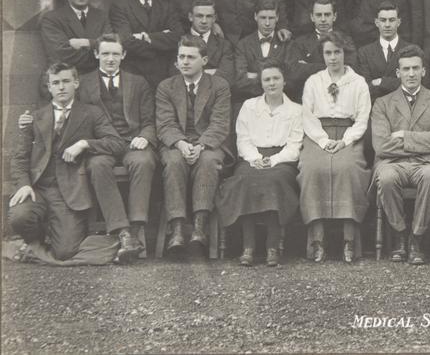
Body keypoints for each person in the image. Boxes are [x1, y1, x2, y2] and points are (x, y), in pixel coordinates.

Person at [8, 63, 132, 262]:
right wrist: (23, 184)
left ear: (76, 83)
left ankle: (30, 250)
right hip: (37, 187)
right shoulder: (34, 117)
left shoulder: (91, 113)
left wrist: (84, 144)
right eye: (55, 83)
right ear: (49, 87)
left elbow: (117, 143)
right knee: (19, 217)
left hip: (67, 192)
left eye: (66, 81)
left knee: (66, 252)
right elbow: (19, 157)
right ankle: (35, 241)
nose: (61, 87)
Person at [75, 34, 159, 258]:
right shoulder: (82, 84)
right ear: (96, 55)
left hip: (132, 141)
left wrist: (145, 137)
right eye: (105, 53)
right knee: (98, 166)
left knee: (143, 161)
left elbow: (150, 120)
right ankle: (122, 232)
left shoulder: (138, 82)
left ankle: (137, 226)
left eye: (115, 53)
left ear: (123, 55)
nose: (110, 58)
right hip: (102, 145)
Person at [371, 45, 430, 265]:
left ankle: (417, 238)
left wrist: (404, 136)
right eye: (406, 69)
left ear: (424, 71)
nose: (411, 74)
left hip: (427, 163)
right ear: (397, 73)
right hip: (393, 163)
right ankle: (399, 235)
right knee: (386, 177)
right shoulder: (382, 103)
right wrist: (425, 141)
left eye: (416, 68)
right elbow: (381, 146)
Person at [216, 61, 302, 267]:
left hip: (282, 160)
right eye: (267, 79)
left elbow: (295, 144)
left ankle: (272, 247)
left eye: (276, 78)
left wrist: (272, 160)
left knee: (273, 181)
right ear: (261, 83)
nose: (271, 83)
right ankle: (249, 247)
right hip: (251, 158)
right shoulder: (249, 106)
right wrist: (255, 159)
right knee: (246, 181)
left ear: (284, 81)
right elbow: (242, 139)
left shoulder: (296, 110)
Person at [299, 32, 373, 263]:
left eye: (337, 52)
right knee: (311, 168)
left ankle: (349, 240)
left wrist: (345, 140)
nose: (333, 58)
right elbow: (307, 116)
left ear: (345, 53)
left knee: (348, 168)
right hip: (318, 134)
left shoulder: (358, 82)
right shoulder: (314, 81)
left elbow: (362, 118)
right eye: (328, 53)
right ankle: (317, 240)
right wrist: (322, 140)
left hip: (348, 134)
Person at [155, 35, 232, 255]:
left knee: (208, 161)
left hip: (209, 143)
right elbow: (165, 123)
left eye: (191, 57)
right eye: (181, 57)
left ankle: (200, 227)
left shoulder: (219, 86)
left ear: (204, 61)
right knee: (172, 162)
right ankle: (177, 229)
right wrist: (180, 143)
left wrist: (201, 146)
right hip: (176, 142)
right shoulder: (166, 87)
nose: (185, 62)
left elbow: (219, 124)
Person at [110, 0, 184, 86]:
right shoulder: (121, 7)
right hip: (133, 74)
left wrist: (147, 37)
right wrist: (162, 38)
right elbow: (126, 41)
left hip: (164, 75)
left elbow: (178, 37)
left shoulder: (167, 6)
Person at [40, 0, 111, 76]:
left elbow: (111, 47)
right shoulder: (52, 18)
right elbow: (61, 56)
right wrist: (97, 47)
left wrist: (86, 43)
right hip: (64, 82)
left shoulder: (102, 16)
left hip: (95, 82)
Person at [232, 0, 293, 102]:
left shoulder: (286, 43)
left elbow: (290, 79)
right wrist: (275, 78)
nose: (267, 23)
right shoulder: (243, 44)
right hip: (251, 101)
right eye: (263, 18)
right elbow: (240, 81)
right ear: (255, 16)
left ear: (277, 17)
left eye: (271, 18)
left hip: (280, 102)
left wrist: (254, 75)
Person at [351, 1, 409, 100]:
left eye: (391, 20)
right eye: (383, 20)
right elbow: (366, 87)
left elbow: (412, 84)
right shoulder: (364, 53)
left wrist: (381, 82)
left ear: (398, 22)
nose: (387, 25)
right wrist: (396, 83)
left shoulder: (409, 50)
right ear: (376, 22)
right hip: (375, 107)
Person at [184, 0, 234, 79]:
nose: (204, 21)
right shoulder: (178, 42)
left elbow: (227, 76)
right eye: (199, 16)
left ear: (214, 18)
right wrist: (212, 72)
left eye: (208, 16)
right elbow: (176, 75)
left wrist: (192, 72)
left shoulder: (224, 45)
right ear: (190, 17)